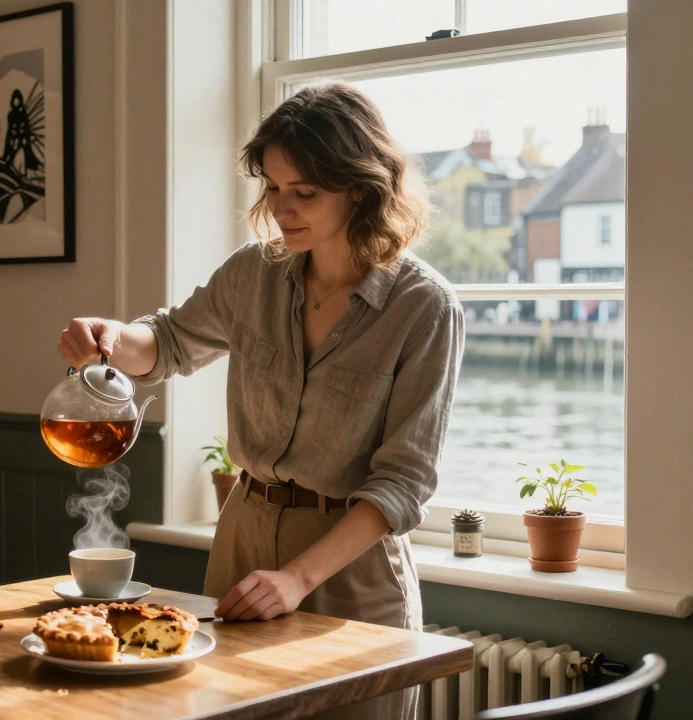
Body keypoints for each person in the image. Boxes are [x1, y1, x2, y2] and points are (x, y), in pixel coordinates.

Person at [57, 82, 464, 719]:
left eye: (305, 192)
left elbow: (403, 484)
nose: (281, 208)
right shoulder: (254, 273)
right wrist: (111, 335)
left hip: (349, 572)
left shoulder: (424, 307)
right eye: (273, 187)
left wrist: (299, 578)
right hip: (243, 544)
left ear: (362, 188)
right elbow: (165, 344)